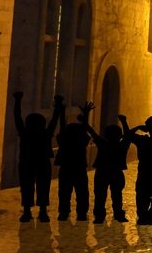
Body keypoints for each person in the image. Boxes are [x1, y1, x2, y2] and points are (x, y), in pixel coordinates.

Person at [12, 92, 62, 223]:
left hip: (26, 162)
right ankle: (43, 212)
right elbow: (54, 120)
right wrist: (58, 105)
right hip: (42, 162)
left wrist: (17, 100)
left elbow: (17, 117)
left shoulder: (24, 133)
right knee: (43, 186)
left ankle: (27, 211)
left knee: (27, 186)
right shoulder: (46, 133)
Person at [85, 114, 136, 224]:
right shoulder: (122, 145)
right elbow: (128, 136)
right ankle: (118, 214)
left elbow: (91, 131)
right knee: (117, 195)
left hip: (102, 171)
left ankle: (99, 216)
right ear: (120, 135)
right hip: (117, 172)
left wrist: (85, 116)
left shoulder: (102, 143)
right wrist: (124, 122)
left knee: (100, 195)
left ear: (105, 135)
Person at [55, 102, 94, 221]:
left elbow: (62, 128)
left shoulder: (64, 140)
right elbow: (83, 131)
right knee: (82, 192)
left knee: (64, 192)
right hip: (79, 168)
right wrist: (86, 115)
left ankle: (63, 212)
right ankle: (81, 213)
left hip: (66, 168)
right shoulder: (81, 141)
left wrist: (61, 112)